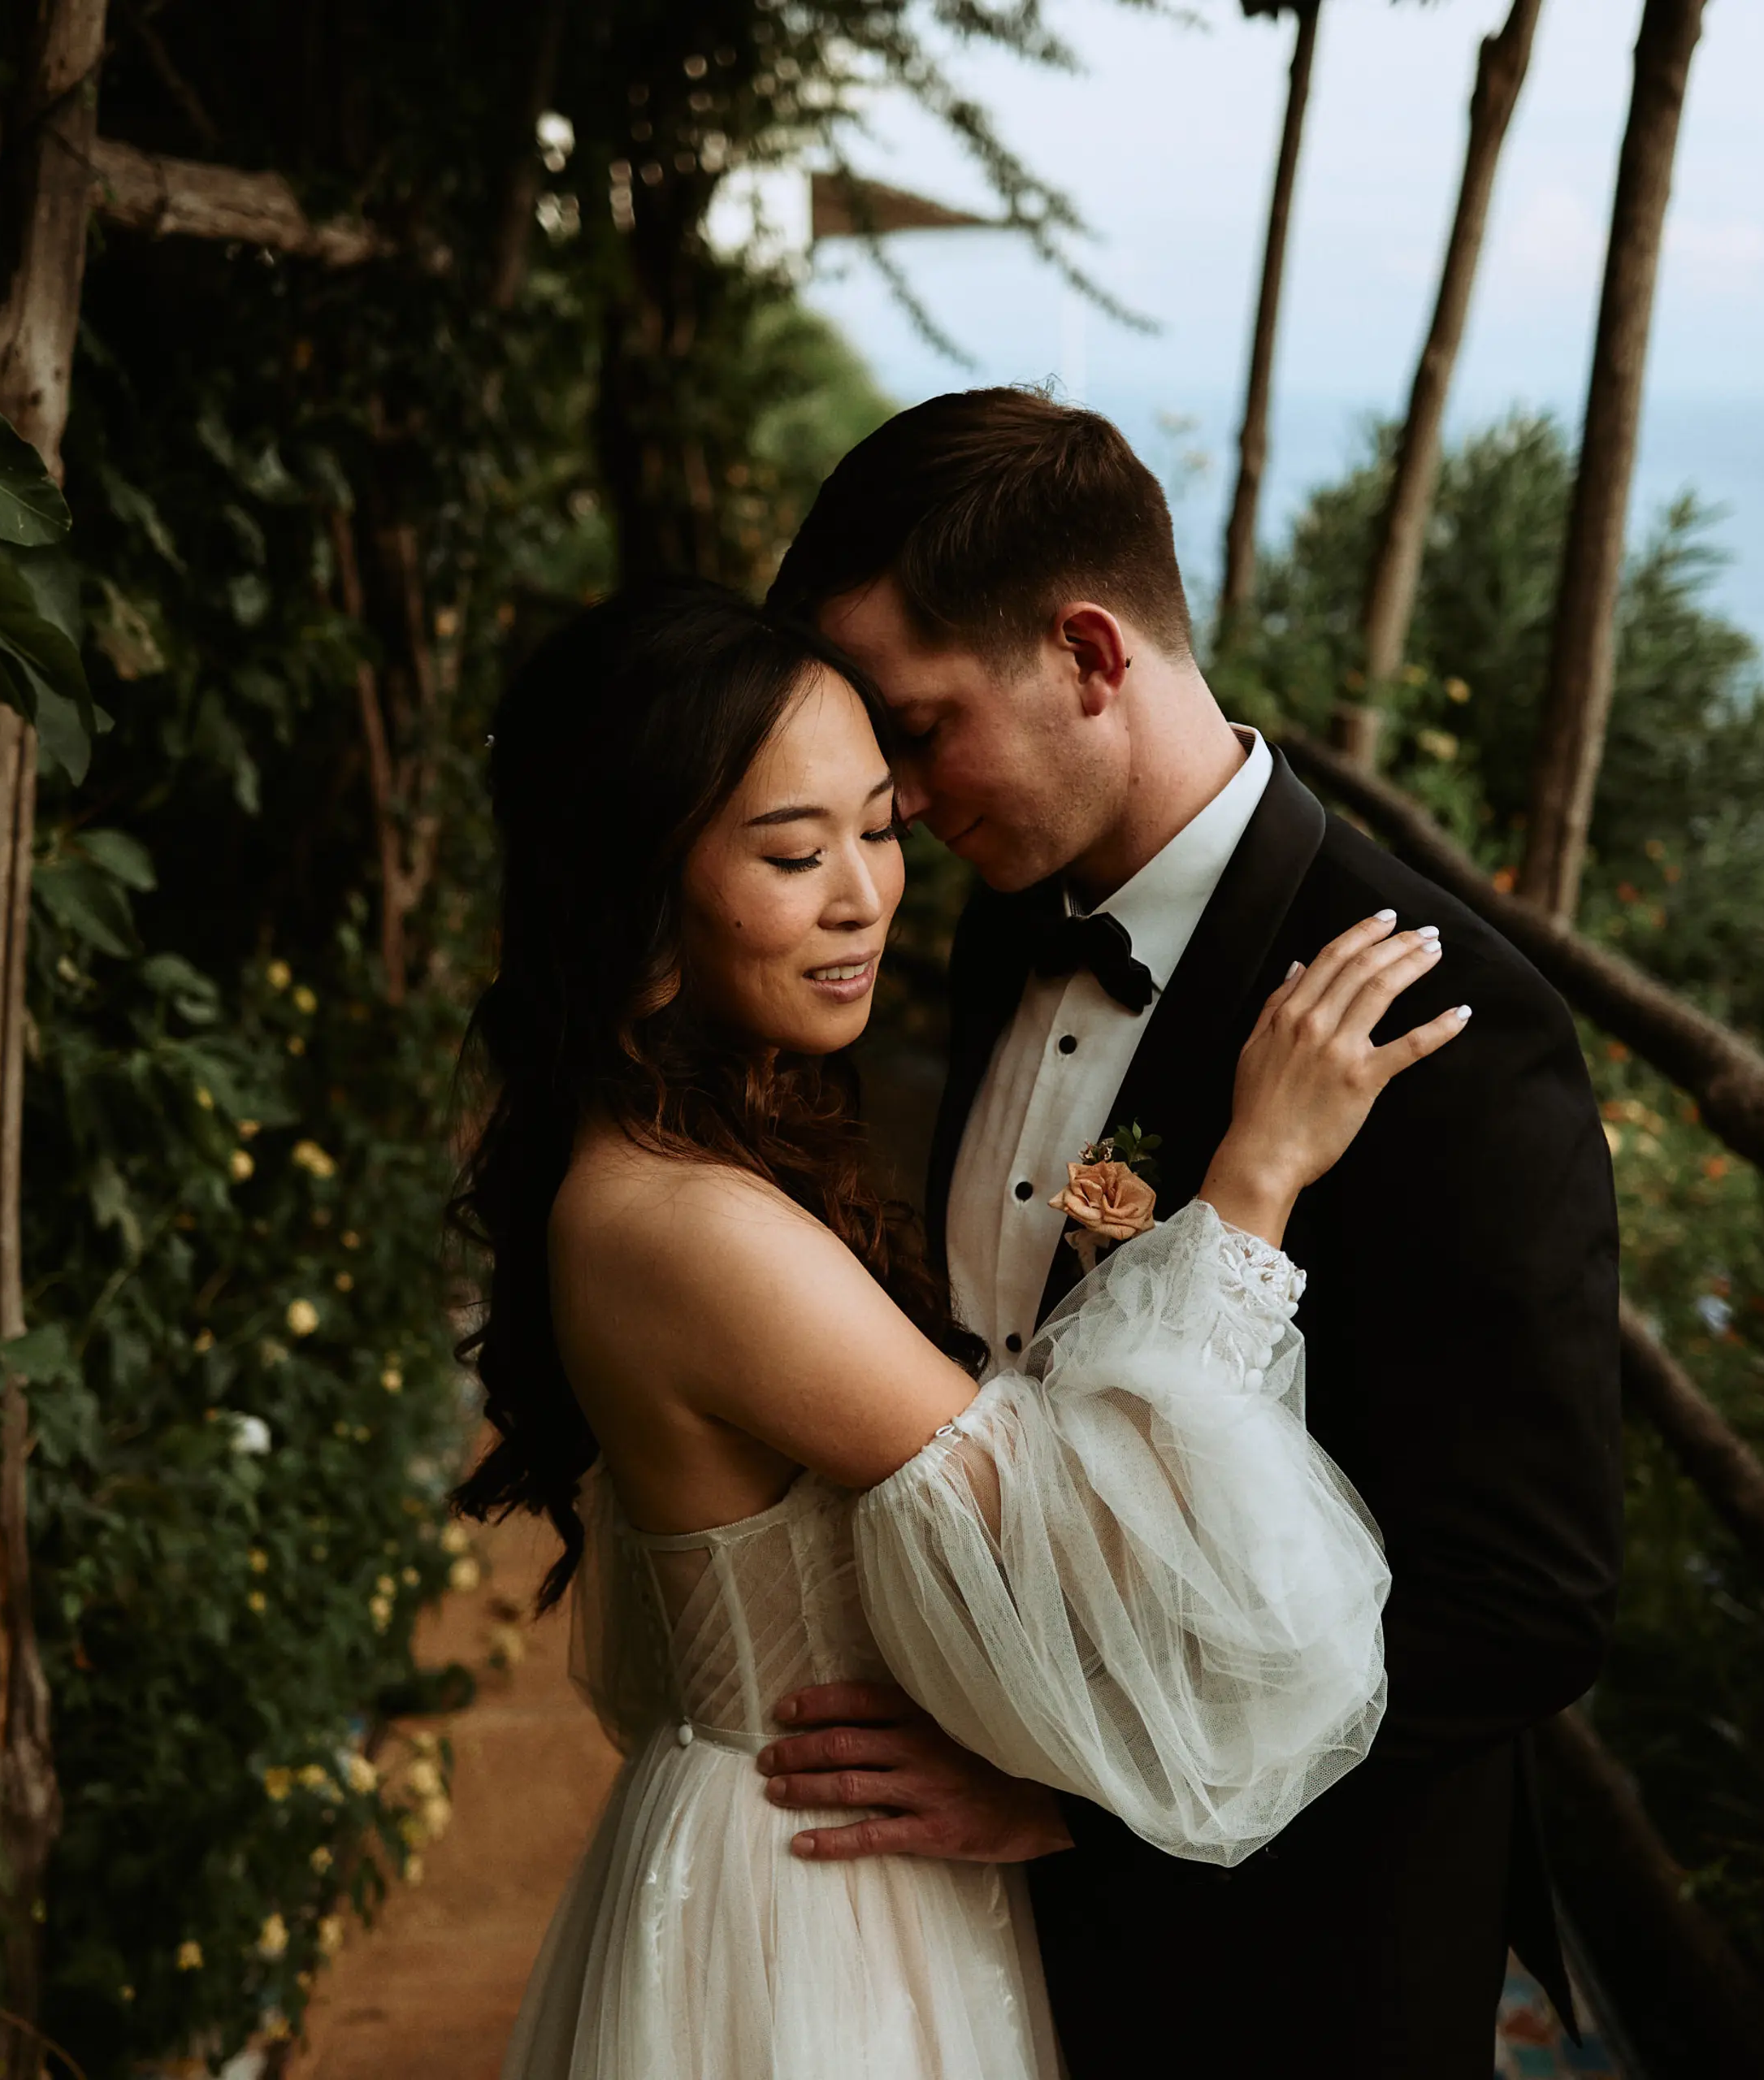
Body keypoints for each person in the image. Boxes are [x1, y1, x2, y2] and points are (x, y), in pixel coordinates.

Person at [460, 580, 1464, 2078]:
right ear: (636, 895)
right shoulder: (688, 1230)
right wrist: (1253, 1186)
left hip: (828, 1851)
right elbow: (1089, 1555)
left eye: (880, 826)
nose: (867, 891)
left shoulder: (682, 1152)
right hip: (814, 1907)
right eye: (795, 853)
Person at [755, 388, 1623, 2074]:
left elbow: (1524, 1601)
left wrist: (1073, 1796)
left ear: (1091, 653)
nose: (906, 807)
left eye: (923, 732)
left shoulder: (1447, 1031)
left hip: (1298, 1951)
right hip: (989, 1913)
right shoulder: (1013, 925)